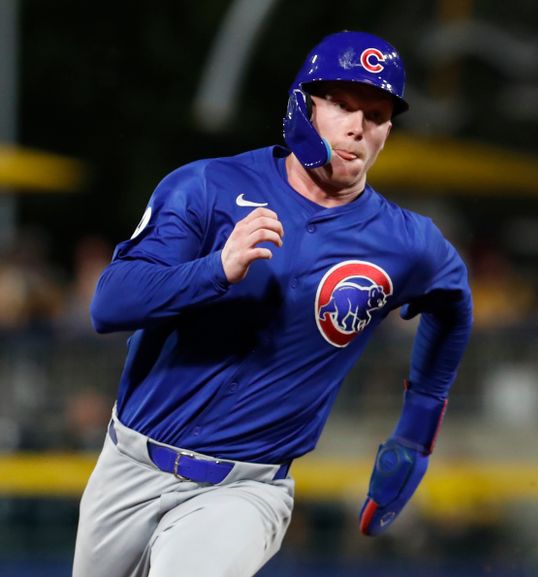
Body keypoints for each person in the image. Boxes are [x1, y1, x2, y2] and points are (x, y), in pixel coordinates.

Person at [72, 30, 473, 577]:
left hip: (246, 491)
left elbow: (454, 305)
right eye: (342, 104)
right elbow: (109, 305)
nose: (358, 126)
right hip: (128, 466)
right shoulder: (208, 186)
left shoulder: (407, 244)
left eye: (377, 115)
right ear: (302, 105)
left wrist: (416, 432)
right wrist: (216, 269)